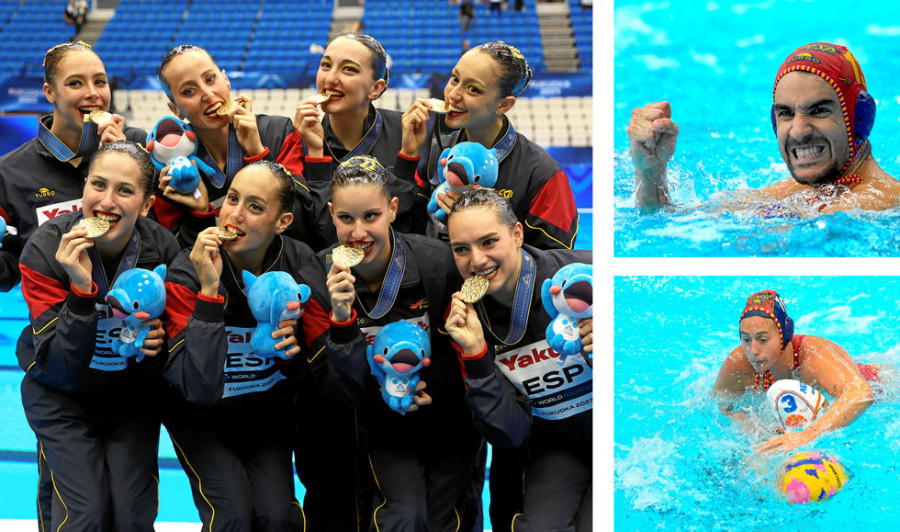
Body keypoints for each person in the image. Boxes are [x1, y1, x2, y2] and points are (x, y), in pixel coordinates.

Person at [312, 156, 482, 530]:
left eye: (370, 216)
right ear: (331, 214)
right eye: (346, 218)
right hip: (374, 427)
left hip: (445, 419)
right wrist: (340, 320)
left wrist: (427, 388)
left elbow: (467, 352)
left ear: (392, 210)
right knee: (403, 518)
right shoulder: (315, 276)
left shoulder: (438, 266)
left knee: (446, 522)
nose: (358, 232)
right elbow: (333, 389)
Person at [16, 141, 179, 531]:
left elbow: (169, 357)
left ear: (145, 204)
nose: (106, 202)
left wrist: (156, 349)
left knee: (131, 517)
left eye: (124, 191)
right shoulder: (44, 250)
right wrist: (81, 291)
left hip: (130, 397)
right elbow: (60, 367)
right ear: (84, 187)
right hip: (60, 396)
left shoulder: (163, 251)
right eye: (98, 185)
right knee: (84, 514)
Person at [161, 161, 330, 530]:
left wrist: (293, 355)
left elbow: (321, 373)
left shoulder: (300, 263)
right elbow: (198, 388)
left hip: (266, 417)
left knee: (277, 515)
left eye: (255, 207)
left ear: (282, 222)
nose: (234, 214)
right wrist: (208, 293)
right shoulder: (187, 268)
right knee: (232, 514)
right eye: (232, 198)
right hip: (198, 418)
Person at [444, 188, 592, 530]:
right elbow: (510, 434)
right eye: (461, 249)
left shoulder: (584, 278)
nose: (477, 261)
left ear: (517, 234)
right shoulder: (462, 318)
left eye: (489, 242)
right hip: (554, 448)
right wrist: (477, 355)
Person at [628, 41, 900, 214]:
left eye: (818, 110)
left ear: (859, 117)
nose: (798, 131)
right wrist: (651, 171)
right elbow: (669, 220)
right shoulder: (787, 193)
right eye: (785, 113)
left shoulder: (888, 200)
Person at [399, 41, 580, 250]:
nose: (453, 94)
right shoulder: (433, 150)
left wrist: (481, 231)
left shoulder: (543, 175)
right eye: (454, 79)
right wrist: (408, 156)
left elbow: (554, 263)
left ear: (503, 105)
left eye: (473, 89)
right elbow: (404, 232)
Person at [0, 41, 145, 291]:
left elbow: (162, 234)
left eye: (100, 81)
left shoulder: (137, 145)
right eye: (75, 83)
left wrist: (125, 161)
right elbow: (11, 270)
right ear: (49, 92)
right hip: (57, 319)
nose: (93, 93)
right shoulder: (10, 173)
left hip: (138, 318)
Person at [279, 33, 421, 251]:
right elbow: (304, 233)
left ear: (376, 88)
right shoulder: (298, 138)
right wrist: (316, 154)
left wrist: (408, 159)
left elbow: (410, 226)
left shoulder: (406, 134)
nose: (330, 78)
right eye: (325, 65)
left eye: (349, 69)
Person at [155, 44, 303, 244]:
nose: (207, 94)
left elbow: (302, 224)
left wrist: (258, 154)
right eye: (189, 91)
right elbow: (173, 253)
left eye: (210, 79)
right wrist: (199, 213)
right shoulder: (172, 171)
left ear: (226, 79)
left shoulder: (279, 132)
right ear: (175, 109)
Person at [713, 289, 877, 456]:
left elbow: (861, 393)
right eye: (746, 340)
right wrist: (753, 430)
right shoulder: (738, 364)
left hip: (876, 384)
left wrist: (808, 434)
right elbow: (722, 406)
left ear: (784, 334)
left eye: (762, 340)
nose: (753, 350)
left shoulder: (813, 354)